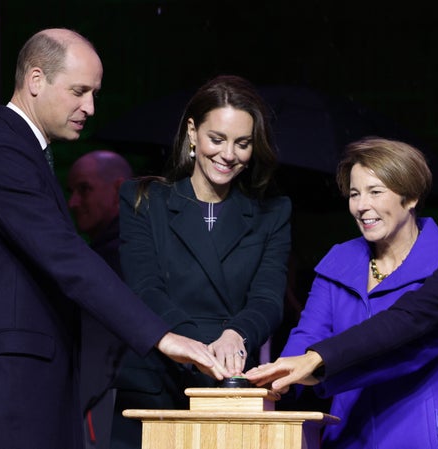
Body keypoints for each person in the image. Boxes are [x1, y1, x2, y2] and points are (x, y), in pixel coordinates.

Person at [0, 28, 228, 449]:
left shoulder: (18, 149)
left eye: (94, 93)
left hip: (18, 389)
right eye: (79, 91)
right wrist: (161, 336)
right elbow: (67, 258)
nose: (90, 107)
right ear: (36, 80)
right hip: (1, 396)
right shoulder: (0, 151)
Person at [247, 108, 438, 449]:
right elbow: (405, 318)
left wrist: (316, 364)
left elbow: (417, 345)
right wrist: (313, 360)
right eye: (354, 194)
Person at [112, 74, 292, 449]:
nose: (229, 155)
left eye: (242, 144)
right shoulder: (144, 199)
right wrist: (195, 345)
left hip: (229, 388)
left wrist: (236, 335)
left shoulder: (272, 211)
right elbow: (144, 289)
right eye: (218, 139)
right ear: (192, 132)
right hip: (154, 385)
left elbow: (268, 298)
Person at [279, 137, 438, 448]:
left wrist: (316, 367)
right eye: (354, 194)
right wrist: (278, 377)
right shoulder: (339, 260)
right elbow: (308, 333)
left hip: (427, 433)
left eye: (375, 192)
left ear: (411, 197)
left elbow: (412, 350)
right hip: (349, 430)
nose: (362, 206)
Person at [67, 150, 134, 449]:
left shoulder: (123, 257)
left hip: (107, 411)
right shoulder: (103, 255)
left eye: (85, 189)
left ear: (119, 189)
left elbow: (97, 350)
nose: (73, 203)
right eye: (72, 191)